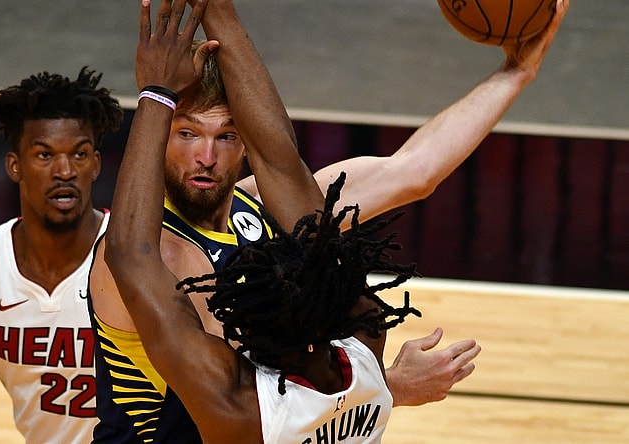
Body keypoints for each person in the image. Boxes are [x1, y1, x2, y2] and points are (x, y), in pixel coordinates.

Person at [104, 0, 569, 442]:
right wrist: (386, 386)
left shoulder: (241, 400)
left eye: (226, 135)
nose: (206, 156)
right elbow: (284, 163)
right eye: (187, 133)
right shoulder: (363, 337)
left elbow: (412, 170)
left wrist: (155, 93)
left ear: (245, 141)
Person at [0, 68, 124, 444]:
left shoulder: (130, 259)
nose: (65, 171)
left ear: (95, 164)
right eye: (45, 154)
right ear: (15, 166)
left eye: (79, 154)